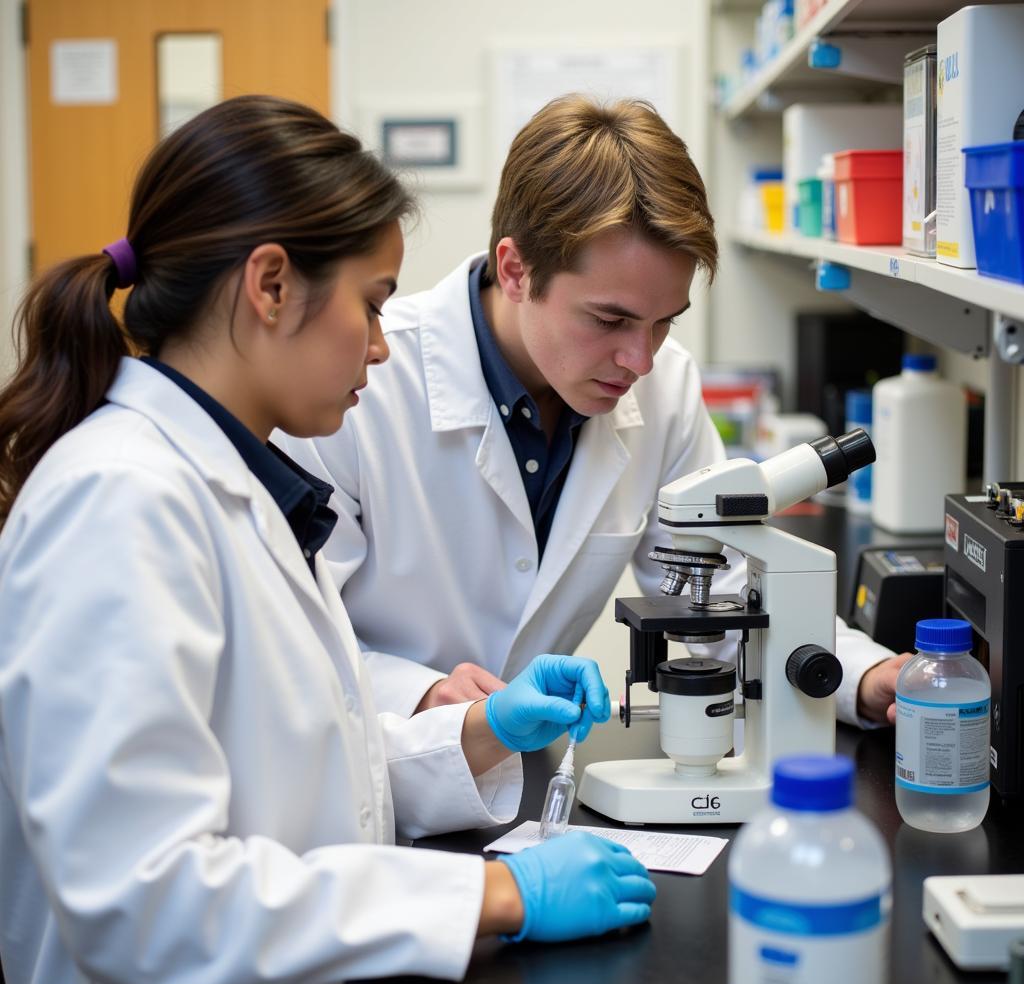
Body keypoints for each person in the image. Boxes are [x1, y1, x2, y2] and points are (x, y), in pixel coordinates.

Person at [0, 96, 657, 984]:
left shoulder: (233, 484)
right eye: (373, 303)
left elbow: (305, 769)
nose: (384, 345)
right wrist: (495, 898)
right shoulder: (121, 500)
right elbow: (145, 901)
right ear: (270, 285)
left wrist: (484, 730)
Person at [276, 94, 909, 730]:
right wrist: (421, 695)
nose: (640, 361)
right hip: (376, 766)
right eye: (611, 320)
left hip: (529, 767)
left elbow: (721, 597)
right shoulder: (361, 389)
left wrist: (864, 676)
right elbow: (294, 642)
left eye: (664, 322)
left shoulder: (666, 388)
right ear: (516, 269)